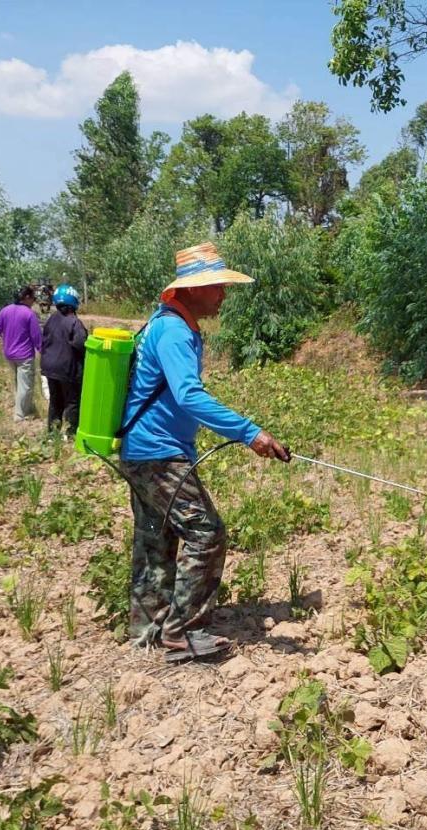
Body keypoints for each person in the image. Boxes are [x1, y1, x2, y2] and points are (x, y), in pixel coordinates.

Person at [118, 241, 289, 662]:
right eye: (216, 286)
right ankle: (183, 634)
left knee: (155, 539)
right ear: (191, 289)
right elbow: (189, 396)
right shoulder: (174, 330)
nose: (223, 295)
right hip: (159, 454)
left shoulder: (167, 325)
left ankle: (147, 629)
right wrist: (250, 433)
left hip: (143, 451)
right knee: (206, 534)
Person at [0, 286, 42, 421]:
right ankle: (19, 415)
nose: (34, 301)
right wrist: (44, 353)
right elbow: (37, 337)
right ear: (27, 298)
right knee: (26, 385)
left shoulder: (5, 311)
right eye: (33, 298)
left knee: (19, 384)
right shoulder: (29, 314)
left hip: (9, 355)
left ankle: (29, 409)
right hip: (24, 355)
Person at [40, 284, 88, 436]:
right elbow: (80, 343)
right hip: (67, 368)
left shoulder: (51, 319)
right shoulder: (74, 321)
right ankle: (72, 431)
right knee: (73, 401)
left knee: (55, 401)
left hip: (49, 367)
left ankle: (52, 433)